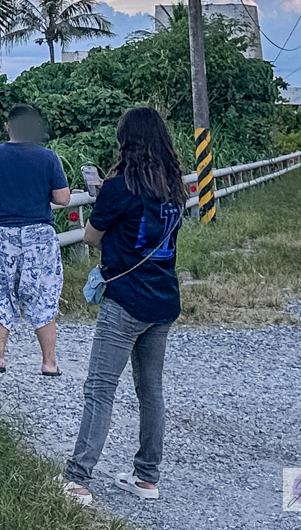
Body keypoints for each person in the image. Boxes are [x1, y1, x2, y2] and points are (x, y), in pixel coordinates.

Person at [62, 106, 186, 507]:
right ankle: (147, 476)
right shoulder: (173, 188)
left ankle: (78, 478)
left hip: (125, 301)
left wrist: (103, 198)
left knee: (99, 388)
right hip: (163, 300)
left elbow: (90, 237)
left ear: (125, 141)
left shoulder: (118, 187)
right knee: (151, 391)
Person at [0, 104, 71, 375]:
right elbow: (62, 198)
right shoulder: (48, 158)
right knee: (44, 296)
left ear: (8, 126)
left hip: (1, 233)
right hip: (39, 233)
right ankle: (49, 363)